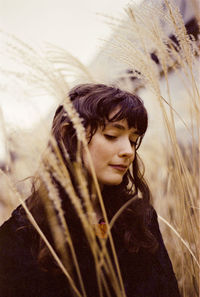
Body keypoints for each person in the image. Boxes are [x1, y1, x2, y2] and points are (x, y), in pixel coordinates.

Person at [0, 83, 180, 297]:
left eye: (133, 140)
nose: (128, 151)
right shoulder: (25, 231)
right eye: (112, 136)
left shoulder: (139, 218)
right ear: (70, 135)